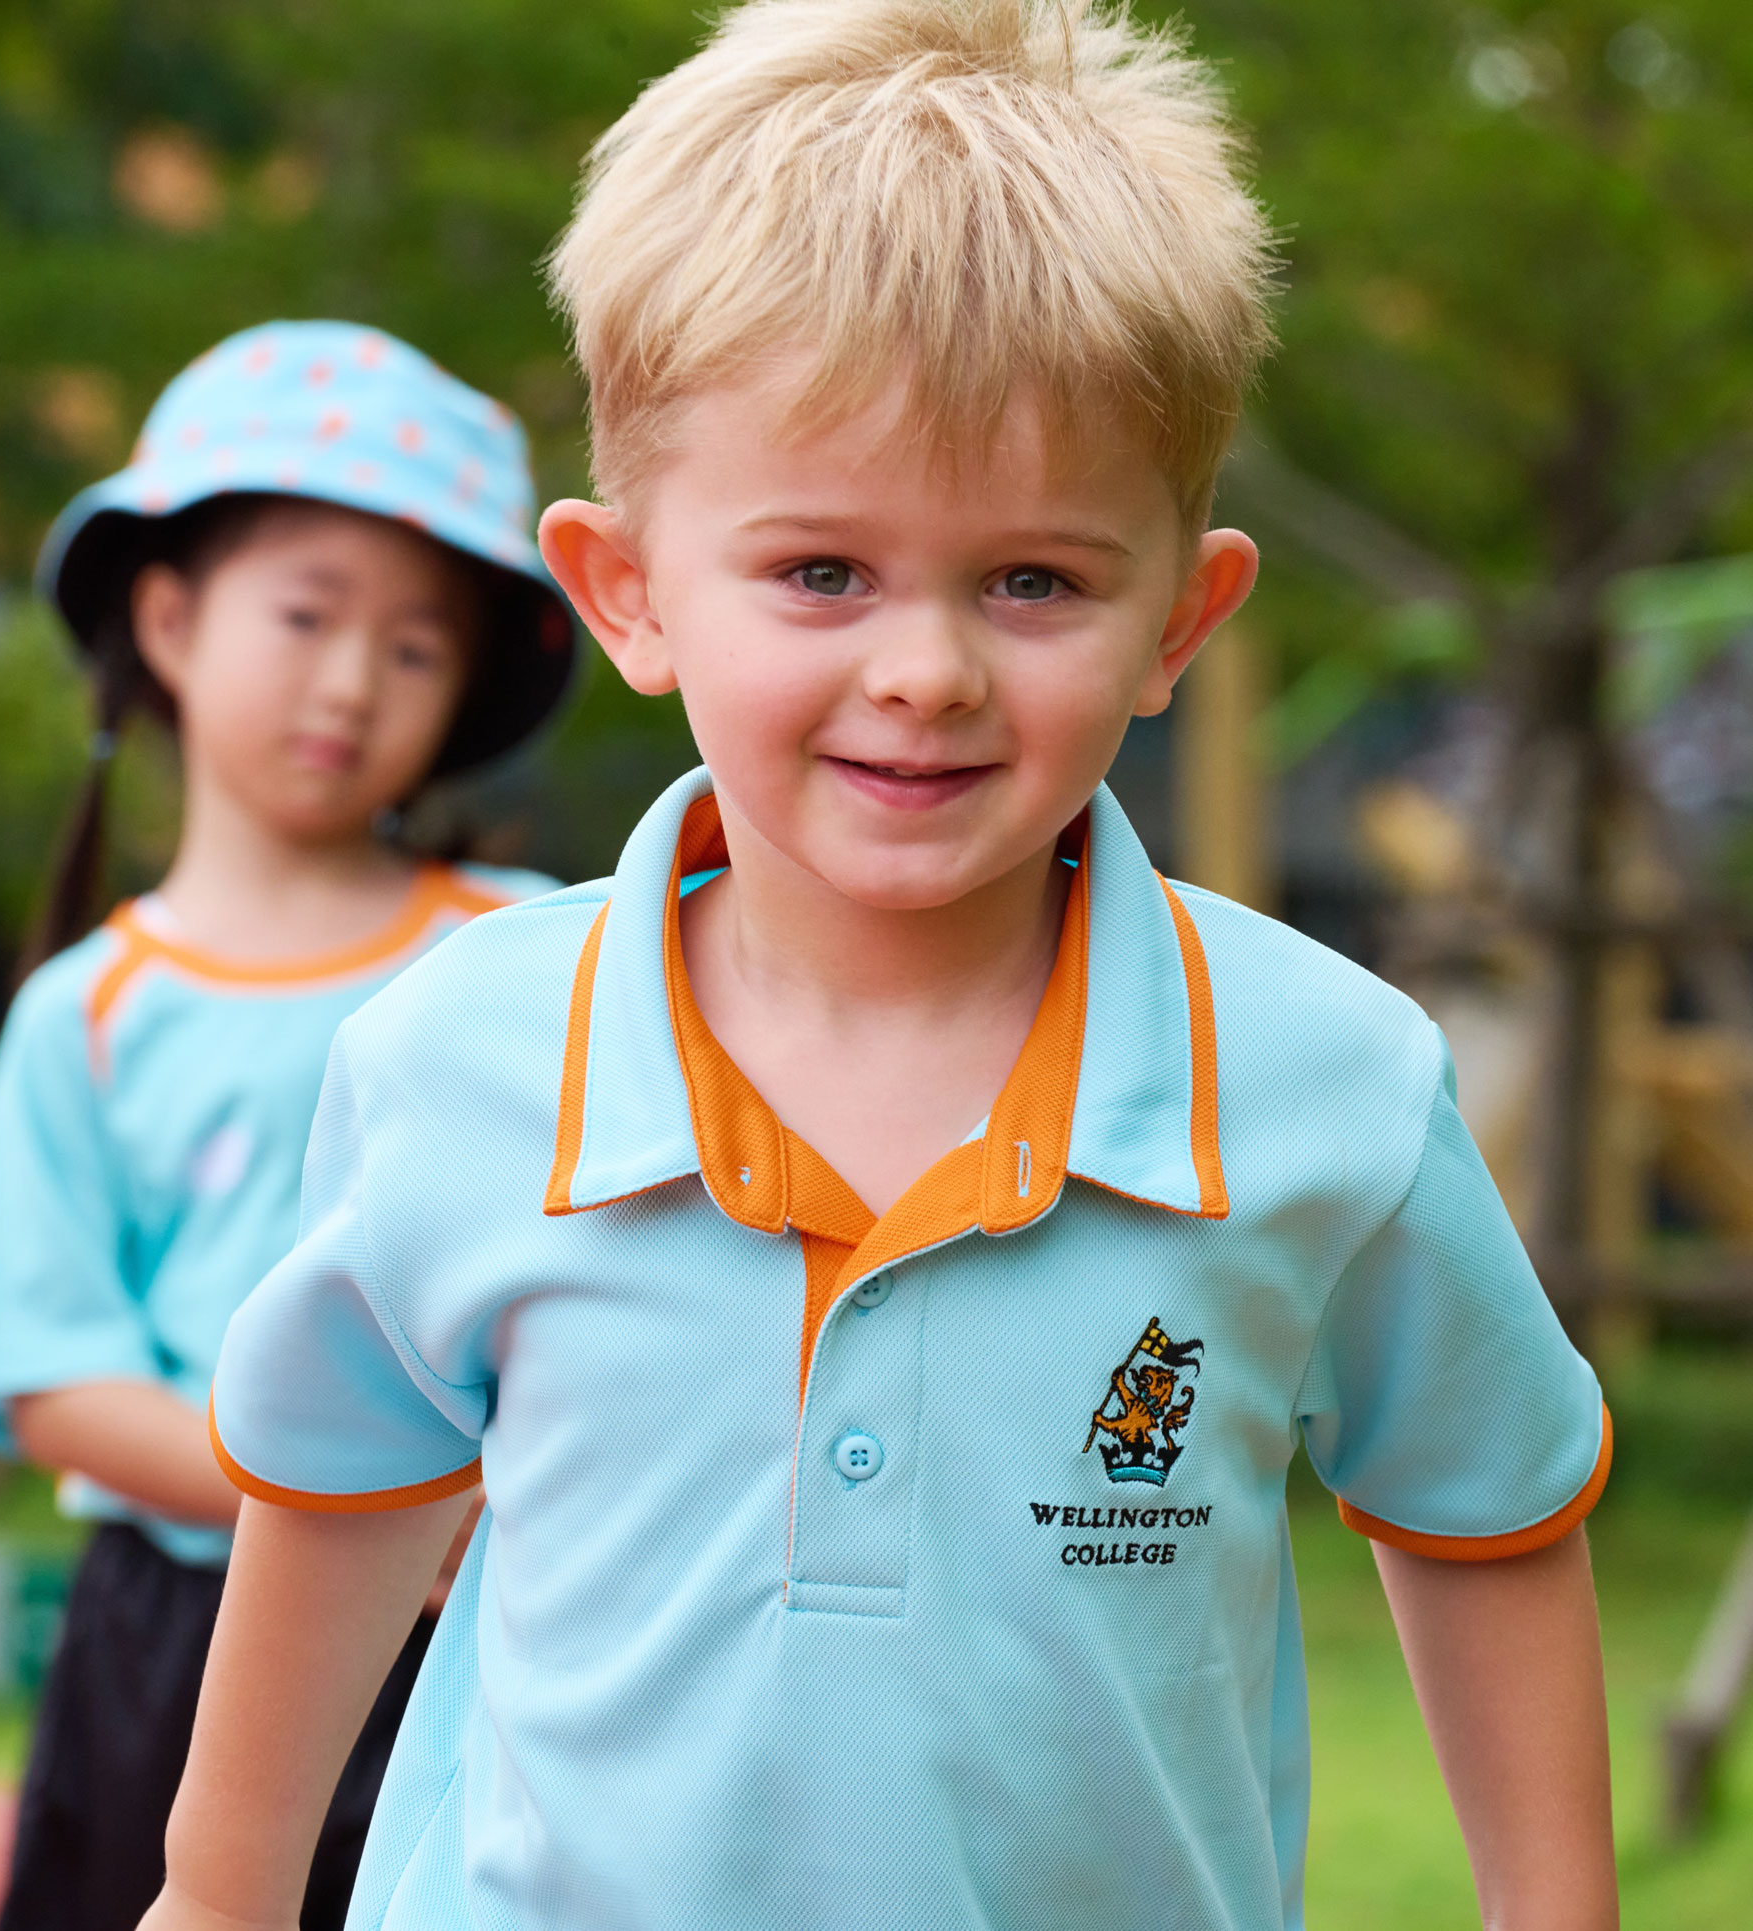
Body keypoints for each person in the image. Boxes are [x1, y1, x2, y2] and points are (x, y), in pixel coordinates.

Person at [152, 6, 1619, 1928]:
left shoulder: (1331, 1086)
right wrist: (216, 1898)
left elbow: (1484, 1513)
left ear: (1181, 618)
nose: (923, 671)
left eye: (1033, 581)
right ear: (629, 591)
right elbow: (338, 1495)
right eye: (823, 573)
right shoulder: (462, 1057)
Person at [0, 318, 572, 1931]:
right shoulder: (83, 1015)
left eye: (418, 647)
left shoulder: (532, 954)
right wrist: (349, 1496)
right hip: (174, 1637)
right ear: (167, 616)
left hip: (484, 1622)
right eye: (307, 614)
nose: (354, 681)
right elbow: (52, 1380)